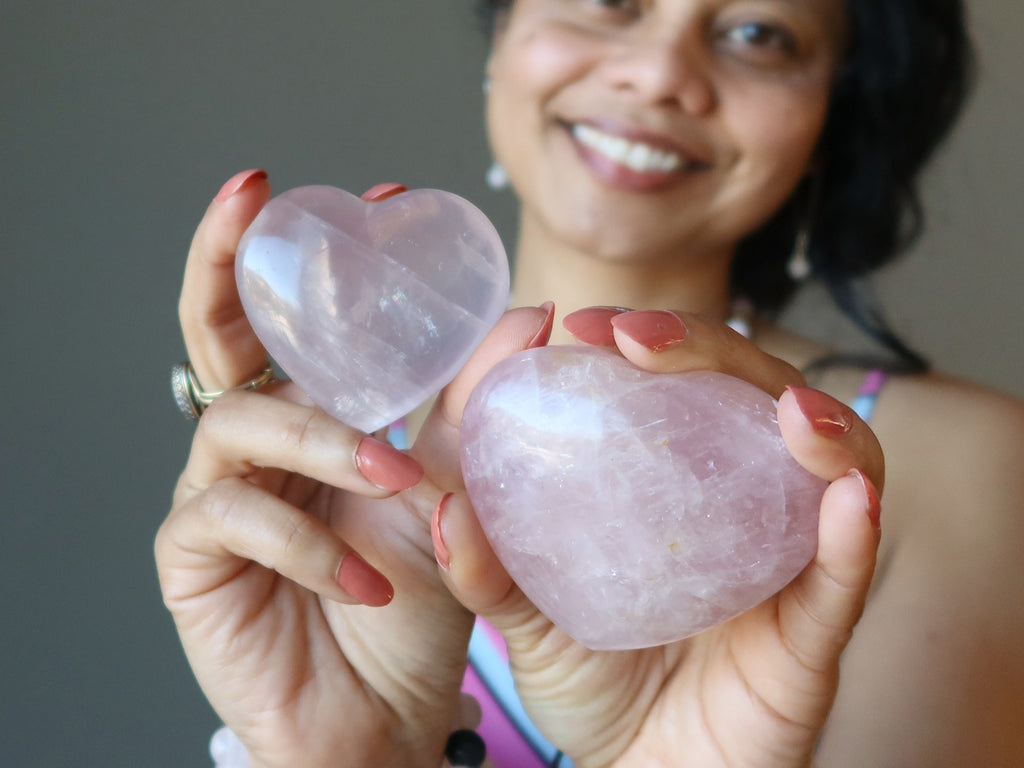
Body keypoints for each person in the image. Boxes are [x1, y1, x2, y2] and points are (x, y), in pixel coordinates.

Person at [156, 0, 1024, 766]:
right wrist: (353, 759)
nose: (657, 73)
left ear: (831, 113)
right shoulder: (325, 459)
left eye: (759, 32)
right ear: (504, 30)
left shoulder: (949, 473)